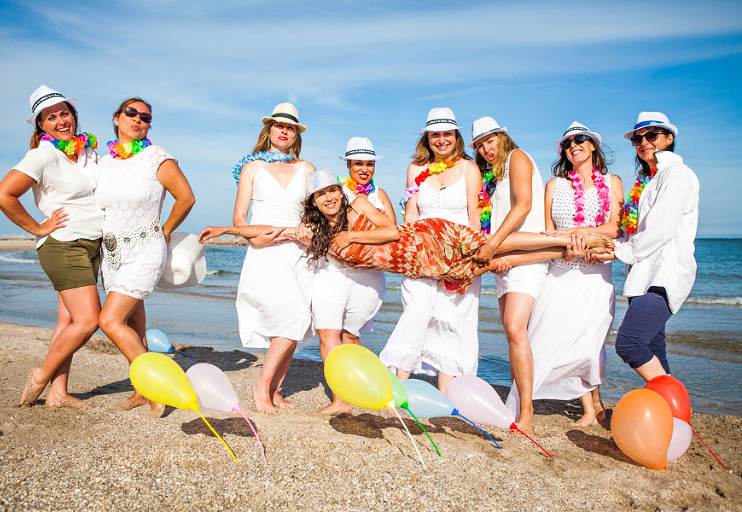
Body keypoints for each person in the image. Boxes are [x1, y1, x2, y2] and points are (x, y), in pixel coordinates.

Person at [200, 169, 608, 292]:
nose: (327, 199)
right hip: (415, 264)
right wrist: (224, 229)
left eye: (331, 192)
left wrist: (353, 236)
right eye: (320, 195)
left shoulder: (357, 205)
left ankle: (565, 236)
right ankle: (564, 251)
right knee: (487, 265)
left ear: (338, 194)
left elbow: (392, 232)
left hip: (424, 237)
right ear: (312, 201)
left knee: (487, 245)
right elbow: (269, 228)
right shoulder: (311, 231)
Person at [505, 122, 624, 428]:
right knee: (560, 342)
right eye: (568, 142)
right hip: (559, 273)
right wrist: (563, 244)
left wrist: (580, 232)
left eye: (580, 139)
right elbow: (547, 231)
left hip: (595, 277)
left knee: (589, 342)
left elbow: (616, 227)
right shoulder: (554, 186)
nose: (574, 145)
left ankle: (594, 404)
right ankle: (589, 407)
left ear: (593, 145)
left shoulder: (612, 183)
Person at [0, 85, 103, 408]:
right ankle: (41, 375)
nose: (60, 121)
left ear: (74, 115)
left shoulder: (88, 153)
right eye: (50, 117)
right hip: (64, 243)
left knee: (67, 321)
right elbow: (2, 195)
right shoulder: (42, 154)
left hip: (90, 243)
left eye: (64, 113)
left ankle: (58, 392)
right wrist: (38, 227)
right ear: (41, 125)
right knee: (88, 321)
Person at [95, 97, 195, 416]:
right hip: (112, 253)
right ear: (116, 118)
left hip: (144, 249)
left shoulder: (157, 157)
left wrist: (165, 230)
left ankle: (156, 388)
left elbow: (186, 198)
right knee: (132, 324)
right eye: (131, 113)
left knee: (108, 320)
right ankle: (139, 389)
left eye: (146, 117)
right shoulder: (103, 162)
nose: (138, 119)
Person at [380, 108, 483, 394]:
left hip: (458, 256)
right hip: (421, 255)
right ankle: (397, 385)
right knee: (417, 311)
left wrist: (471, 262)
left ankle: (446, 395)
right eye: (435, 134)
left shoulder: (469, 168)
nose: (441, 140)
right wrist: (407, 251)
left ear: (456, 136)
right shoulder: (415, 169)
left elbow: (474, 218)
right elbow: (410, 214)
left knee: (453, 321)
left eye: (447, 133)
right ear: (427, 137)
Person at [591, 112, 699, 382]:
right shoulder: (648, 180)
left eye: (652, 135)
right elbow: (635, 232)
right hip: (643, 274)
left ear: (669, 138)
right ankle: (674, 416)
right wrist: (608, 244)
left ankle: (673, 408)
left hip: (664, 274)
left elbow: (660, 229)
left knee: (629, 343)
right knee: (653, 347)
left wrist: (618, 251)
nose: (643, 142)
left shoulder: (677, 174)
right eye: (637, 138)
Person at [231, 103, 315, 414]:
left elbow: (315, 212)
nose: (284, 130)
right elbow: (239, 216)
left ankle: (275, 389)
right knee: (291, 314)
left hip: (298, 250)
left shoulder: (306, 169)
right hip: (264, 250)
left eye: (290, 127)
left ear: (296, 135)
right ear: (269, 130)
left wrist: (303, 232)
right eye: (279, 125)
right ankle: (262, 386)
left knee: (298, 318)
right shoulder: (252, 169)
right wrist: (253, 236)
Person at [470, 116, 547, 434]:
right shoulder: (492, 174)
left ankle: (527, 411)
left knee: (516, 328)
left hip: (525, 256)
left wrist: (493, 244)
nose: (486, 148)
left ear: (503, 136)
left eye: (490, 140)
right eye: (479, 145)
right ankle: (517, 402)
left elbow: (524, 206)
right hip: (504, 257)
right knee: (513, 333)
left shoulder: (518, 157)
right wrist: (495, 252)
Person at [310, 138, 394, 414]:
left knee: (351, 335)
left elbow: (393, 232)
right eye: (359, 163)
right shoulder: (335, 192)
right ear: (348, 164)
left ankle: (356, 388)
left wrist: (353, 237)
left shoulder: (378, 195)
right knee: (327, 332)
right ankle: (340, 400)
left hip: (366, 275)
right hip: (331, 270)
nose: (364, 169)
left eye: (369, 163)